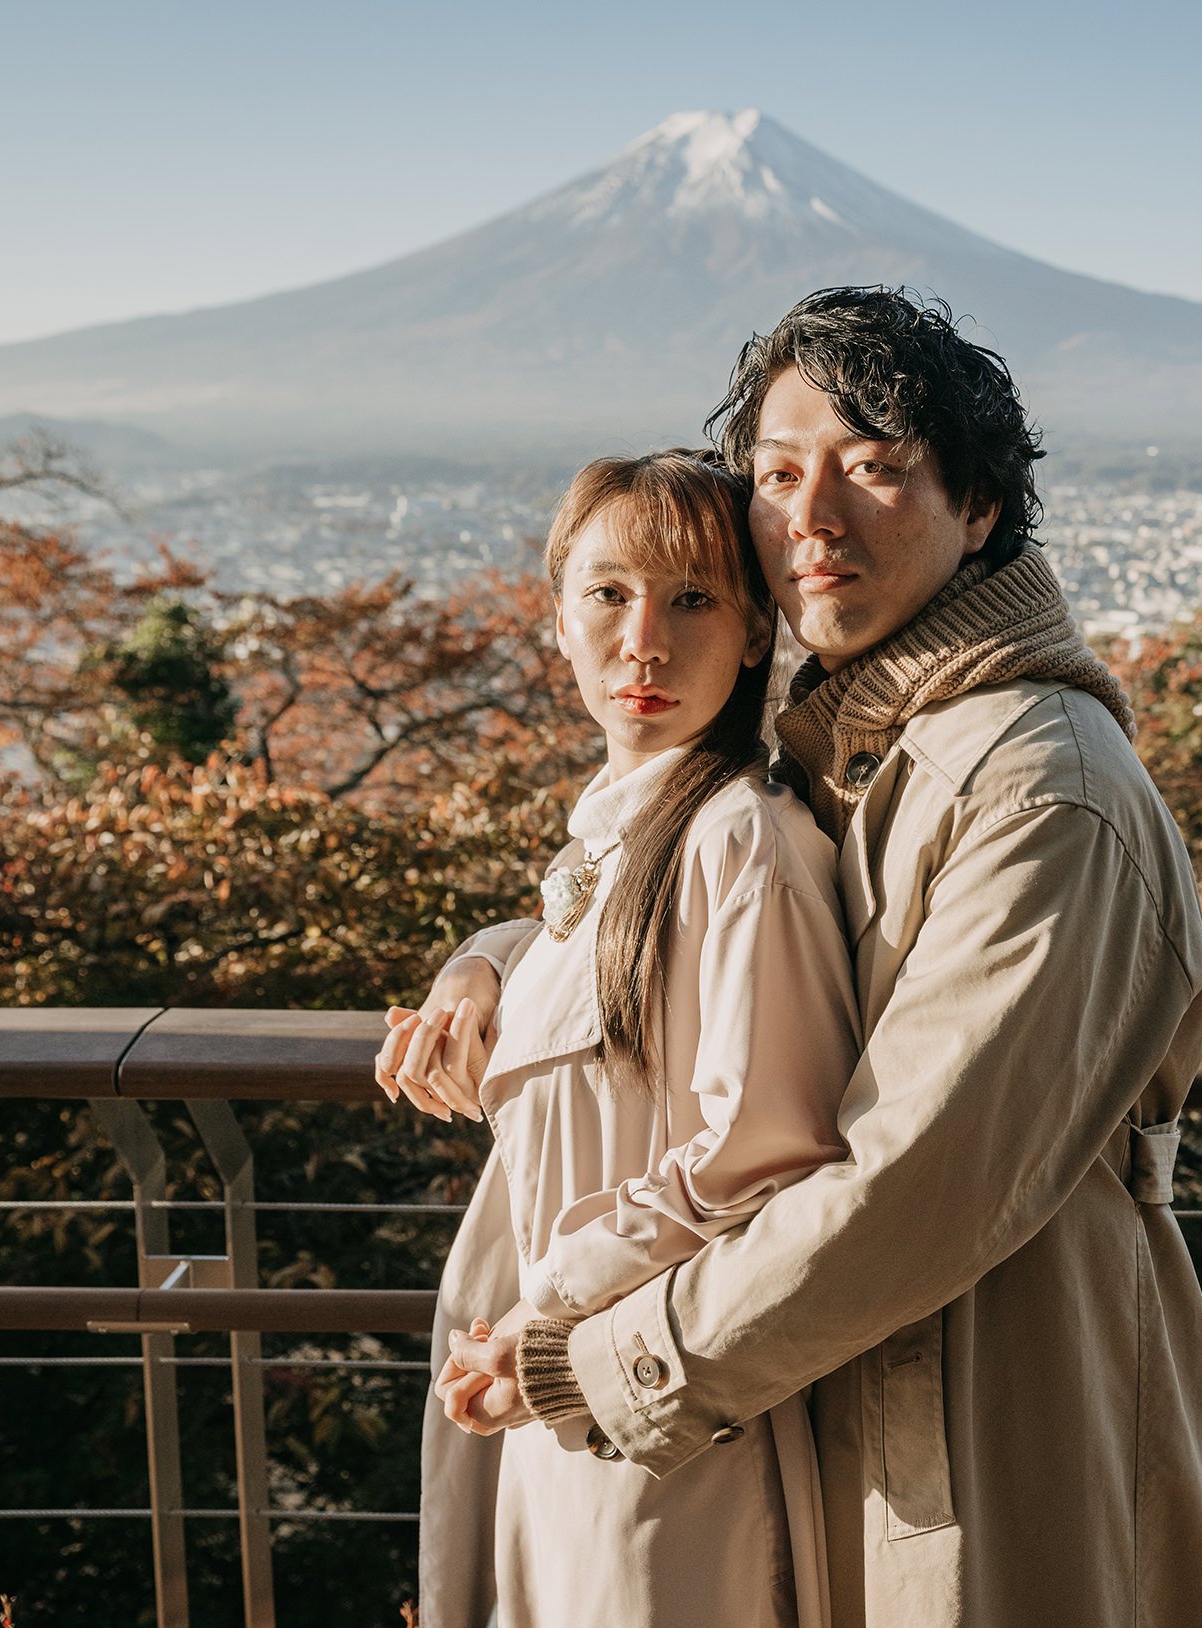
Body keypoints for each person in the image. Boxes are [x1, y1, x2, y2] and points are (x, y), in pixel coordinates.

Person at [386, 287, 1202, 1628]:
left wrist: (604, 1363)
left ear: (982, 511)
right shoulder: (862, 751)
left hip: (1003, 1409)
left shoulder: (1040, 791)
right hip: (837, 1403)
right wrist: (499, 954)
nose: (815, 519)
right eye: (780, 475)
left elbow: (914, 1178)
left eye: (878, 469)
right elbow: (678, 916)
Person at [382, 450, 857, 1627]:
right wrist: (479, 964)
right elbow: (585, 962)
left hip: (659, 1416)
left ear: (756, 632)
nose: (644, 640)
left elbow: (760, 1153)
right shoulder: (619, 826)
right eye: (608, 594)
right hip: (563, 1394)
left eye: (692, 598)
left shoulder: (743, 837)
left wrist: (545, 1315)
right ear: (557, 617)